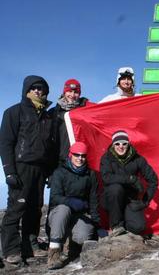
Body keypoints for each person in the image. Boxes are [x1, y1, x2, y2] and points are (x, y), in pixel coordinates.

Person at [0, 75, 54, 264]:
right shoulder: (13, 112)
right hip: (21, 167)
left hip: (40, 169)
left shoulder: (47, 116)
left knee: (35, 208)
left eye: (41, 88)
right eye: (34, 88)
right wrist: (9, 171)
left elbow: (50, 145)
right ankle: (11, 249)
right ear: (26, 91)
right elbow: (6, 144)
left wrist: (50, 170)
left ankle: (30, 245)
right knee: (17, 208)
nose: (38, 91)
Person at [47, 142, 105, 270]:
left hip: (79, 215)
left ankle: (70, 243)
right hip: (58, 215)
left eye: (83, 155)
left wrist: (97, 225)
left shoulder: (90, 175)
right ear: (70, 155)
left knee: (83, 237)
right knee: (63, 209)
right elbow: (55, 197)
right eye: (76, 155)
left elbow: (94, 200)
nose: (80, 158)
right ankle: (54, 254)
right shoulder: (59, 172)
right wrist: (71, 201)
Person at [100, 130, 159, 236]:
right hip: (112, 199)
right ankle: (116, 226)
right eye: (117, 144)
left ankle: (126, 223)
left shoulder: (138, 159)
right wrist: (131, 179)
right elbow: (106, 178)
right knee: (116, 188)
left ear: (128, 144)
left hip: (130, 200)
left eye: (124, 143)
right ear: (113, 145)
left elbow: (153, 180)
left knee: (139, 227)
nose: (121, 146)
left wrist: (145, 201)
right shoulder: (106, 158)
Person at [50, 79, 92, 164]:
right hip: (58, 159)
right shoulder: (53, 112)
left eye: (76, 92)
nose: (72, 95)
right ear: (64, 92)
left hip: (79, 158)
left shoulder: (86, 110)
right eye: (69, 91)